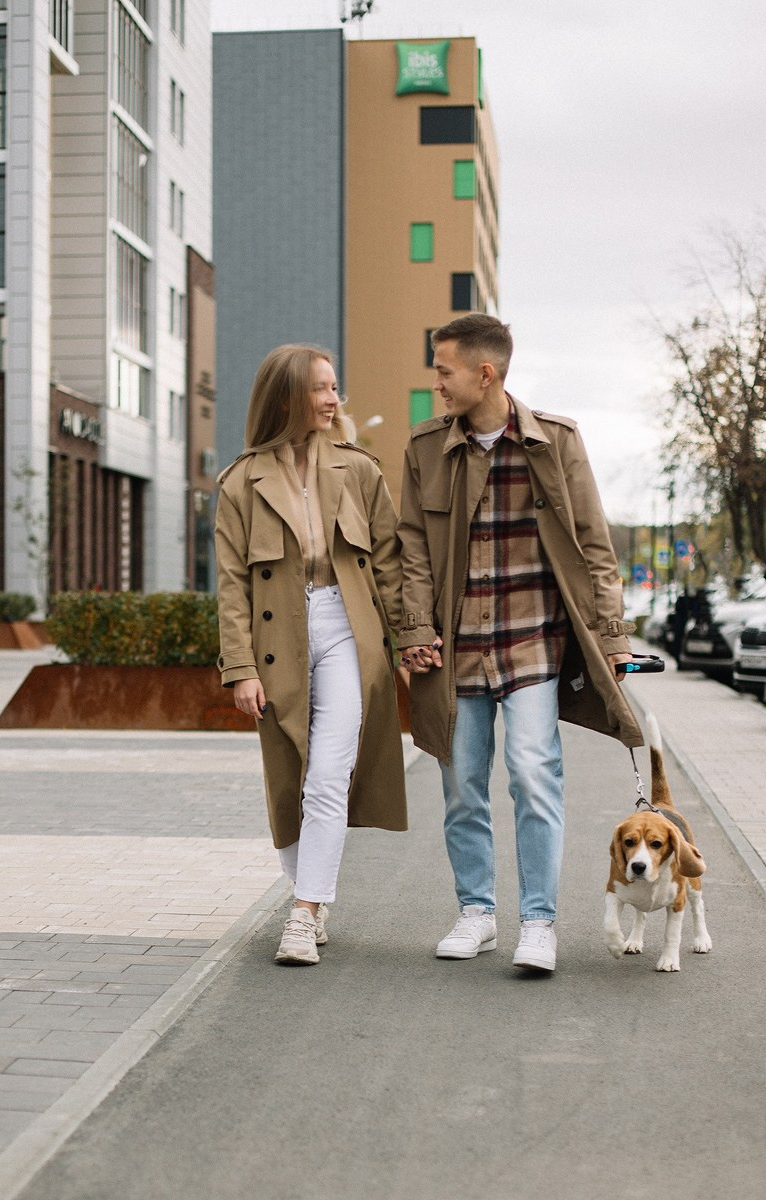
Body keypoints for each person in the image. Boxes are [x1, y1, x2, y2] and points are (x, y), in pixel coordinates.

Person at [396, 314, 643, 972]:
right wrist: (415, 627)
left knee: (535, 777)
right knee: (461, 786)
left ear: (486, 374)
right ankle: (477, 913)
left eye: (444, 370)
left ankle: (539, 922)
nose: (437, 383)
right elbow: (410, 549)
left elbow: (594, 544)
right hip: (456, 651)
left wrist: (612, 636)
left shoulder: (554, 442)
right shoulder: (424, 448)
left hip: (533, 643)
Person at [215, 344, 407, 965]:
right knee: (290, 777)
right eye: (321, 389)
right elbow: (232, 586)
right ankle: (312, 898)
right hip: (278, 642)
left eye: (335, 388)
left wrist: (411, 639)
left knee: (328, 774)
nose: (334, 399)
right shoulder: (241, 481)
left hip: (347, 624)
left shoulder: (359, 470)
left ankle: (302, 914)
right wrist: (239, 667)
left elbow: (391, 564)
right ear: (287, 397)